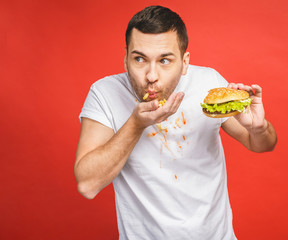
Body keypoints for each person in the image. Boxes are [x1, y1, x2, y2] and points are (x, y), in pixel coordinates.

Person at [74, 5, 277, 240]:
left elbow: (263, 145)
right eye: (139, 59)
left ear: (185, 62)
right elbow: (87, 185)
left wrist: (259, 128)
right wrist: (135, 124)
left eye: (165, 60)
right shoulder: (105, 93)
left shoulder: (208, 83)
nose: (151, 75)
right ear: (125, 59)